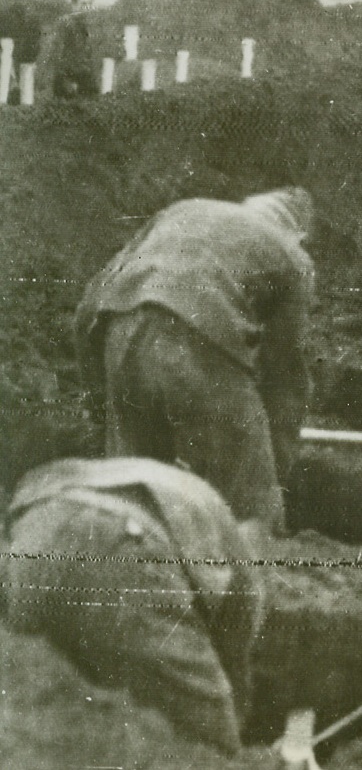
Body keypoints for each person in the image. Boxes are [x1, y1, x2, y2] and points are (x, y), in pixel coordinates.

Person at [73, 189, 316, 533]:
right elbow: (286, 375)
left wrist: (101, 406)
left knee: (132, 496)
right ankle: (235, 581)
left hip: (119, 329)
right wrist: (273, 472)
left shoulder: (182, 212)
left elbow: (88, 308)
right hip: (198, 344)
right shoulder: (291, 255)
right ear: (299, 235)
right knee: (250, 511)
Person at [4, 457, 264, 753]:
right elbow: (234, 658)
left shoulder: (156, 480)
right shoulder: (242, 569)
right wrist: (234, 732)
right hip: (118, 545)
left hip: (31, 543)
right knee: (211, 747)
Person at [49, 0, 98, 99]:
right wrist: (67, 81)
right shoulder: (65, 23)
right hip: (67, 79)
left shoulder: (86, 25)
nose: (86, 7)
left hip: (84, 78)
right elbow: (57, 53)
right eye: (83, 3)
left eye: (89, 4)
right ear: (73, 5)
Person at [0, 0, 43, 90]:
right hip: (27, 58)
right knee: (26, 97)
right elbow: (36, 39)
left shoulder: (3, 13)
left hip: (8, 59)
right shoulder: (33, 15)